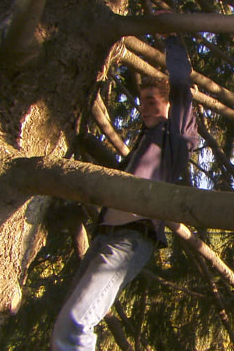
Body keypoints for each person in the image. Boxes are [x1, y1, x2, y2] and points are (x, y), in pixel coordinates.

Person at [52, 35, 198, 351]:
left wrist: (172, 39)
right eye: (141, 100)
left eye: (151, 100)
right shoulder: (143, 145)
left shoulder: (175, 140)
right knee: (65, 324)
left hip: (130, 241)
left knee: (75, 327)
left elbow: (182, 85)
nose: (142, 107)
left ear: (170, 105)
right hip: (103, 238)